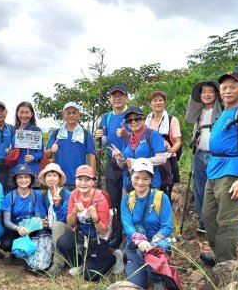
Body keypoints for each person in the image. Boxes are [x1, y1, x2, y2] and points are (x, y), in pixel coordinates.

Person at [201, 71, 238, 266]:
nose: (227, 91)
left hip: (230, 171)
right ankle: (219, 254)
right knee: (209, 216)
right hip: (213, 170)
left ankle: (227, 264)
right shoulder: (225, 112)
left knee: (227, 219)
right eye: (224, 87)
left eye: (233, 86)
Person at [56, 165, 123, 281]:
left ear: (93, 181)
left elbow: (104, 230)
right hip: (81, 235)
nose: (83, 183)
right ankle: (80, 263)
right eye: (80, 179)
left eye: (87, 180)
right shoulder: (74, 195)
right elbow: (70, 223)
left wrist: (95, 217)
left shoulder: (100, 198)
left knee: (91, 276)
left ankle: (114, 257)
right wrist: (73, 212)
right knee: (62, 243)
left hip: (97, 238)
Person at [121, 158, 174, 290]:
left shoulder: (161, 198)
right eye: (136, 177)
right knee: (137, 285)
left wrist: (154, 241)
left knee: (153, 248)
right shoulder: (127, 200)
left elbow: (168, 226)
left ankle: (157, 280)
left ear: (151, 180)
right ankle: (154, 269)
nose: (140, 182)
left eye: (145, 178)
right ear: (131, 177)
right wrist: (139, 241)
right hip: (135, 244)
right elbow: (128, 227)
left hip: (157, 244)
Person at [185, 80, 223, 233]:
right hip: (200, 154)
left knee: (220, 190)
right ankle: (204, 222)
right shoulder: (199, 113)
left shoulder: (223, 112)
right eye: (203, 92)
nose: (207, 94)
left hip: (217, 156)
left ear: (216, 94)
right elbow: (192, 122)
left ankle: (222, 224)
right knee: (199, 189)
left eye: (210, 92)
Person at [95, 84, 129, 247]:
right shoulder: (107, 117)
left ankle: (130, 233)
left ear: (126, 97)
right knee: (113, 200)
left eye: (120, 95)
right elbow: (104, 142)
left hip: (130, 162)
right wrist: (99, 136)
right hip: (111, 162)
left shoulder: (132, 115)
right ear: (110, 99)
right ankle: (116, 235)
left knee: (130, 198)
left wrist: (126, 134)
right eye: (114, 96)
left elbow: (141, 135)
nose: (117, 98)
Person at [109, 106, 167, 192]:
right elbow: (124, 165)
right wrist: (119, 158)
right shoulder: (127, 140)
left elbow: (162, 159)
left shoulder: (153, 135)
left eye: (137, 119)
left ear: (143, 119)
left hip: (150, 185)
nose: (133, 122)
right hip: (129, 185)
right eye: (129, 120)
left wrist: (137, 162)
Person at [44, 102, 96, 189]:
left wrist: (92, 178)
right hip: (59, 180)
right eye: (68, 113)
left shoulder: (85, 134)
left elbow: (92, 157)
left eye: (74, 112)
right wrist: (51, 150)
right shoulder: (56, 133)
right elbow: (47, 155)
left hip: (80, 180)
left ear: (79, 115)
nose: (71, 115)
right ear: (63, 115)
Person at [145, 91, 182, 201]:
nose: (158, 103)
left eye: (161, 100)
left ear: (165, 102)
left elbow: (178, 141)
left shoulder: (171, 120)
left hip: (167, 161)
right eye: (155, 100)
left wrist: (169, 153)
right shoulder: (146, 120)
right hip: (150, 159)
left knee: (165, 193)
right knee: (149, 191)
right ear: (150, 103)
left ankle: (165, 216)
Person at [36, 163, 72, 276]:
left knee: (57, 225)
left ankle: (58, 264)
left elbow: (65, 218)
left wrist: (57, 205)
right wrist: (42, 221)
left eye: (54, 175)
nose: (51, 178)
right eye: (49, 175)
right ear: (45, 179)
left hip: (66, 230)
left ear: (59, 178)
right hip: (49, 230)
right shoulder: (43, 196)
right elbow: (39, 213)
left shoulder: (67, 195)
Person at [0, 164, 43, 253]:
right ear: (15, 180)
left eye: (26, 177)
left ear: (31, 179)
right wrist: (18, 228)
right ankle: (16, 252)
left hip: (32, 230)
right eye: (20, 177)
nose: (23, 180)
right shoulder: (10, 196)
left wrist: (30, 229)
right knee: (6, 244)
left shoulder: (37, 195)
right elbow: (6, 221)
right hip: (15, 229)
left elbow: (37, 217)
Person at [9, 102, 44, 186]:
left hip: (32, 169)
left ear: (31, 114)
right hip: (15, 169)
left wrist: (34, 157)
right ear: (17, 113)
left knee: (33, 197)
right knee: (15, 197)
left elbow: (41, 151)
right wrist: (9, 151)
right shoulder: (13, 130)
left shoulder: (36, 130)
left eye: (27, 112)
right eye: (21, 112)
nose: (24, 115)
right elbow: (10, 147)